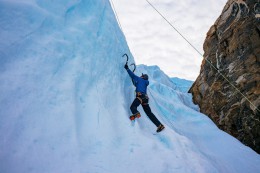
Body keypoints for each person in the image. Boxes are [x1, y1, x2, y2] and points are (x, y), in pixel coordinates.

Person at [124, 64, 165, 133]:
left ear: (143, 77)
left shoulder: (140, 79)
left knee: (133, 107)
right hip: (145, 98)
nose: (140, 76)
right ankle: (160, 125)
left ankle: (136, 113)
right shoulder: (145, 83)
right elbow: (136, 84)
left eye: (141, 75)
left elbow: (133, 76)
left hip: (140, 96)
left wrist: (127, 68)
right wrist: (135, 82)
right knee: (149, 113)